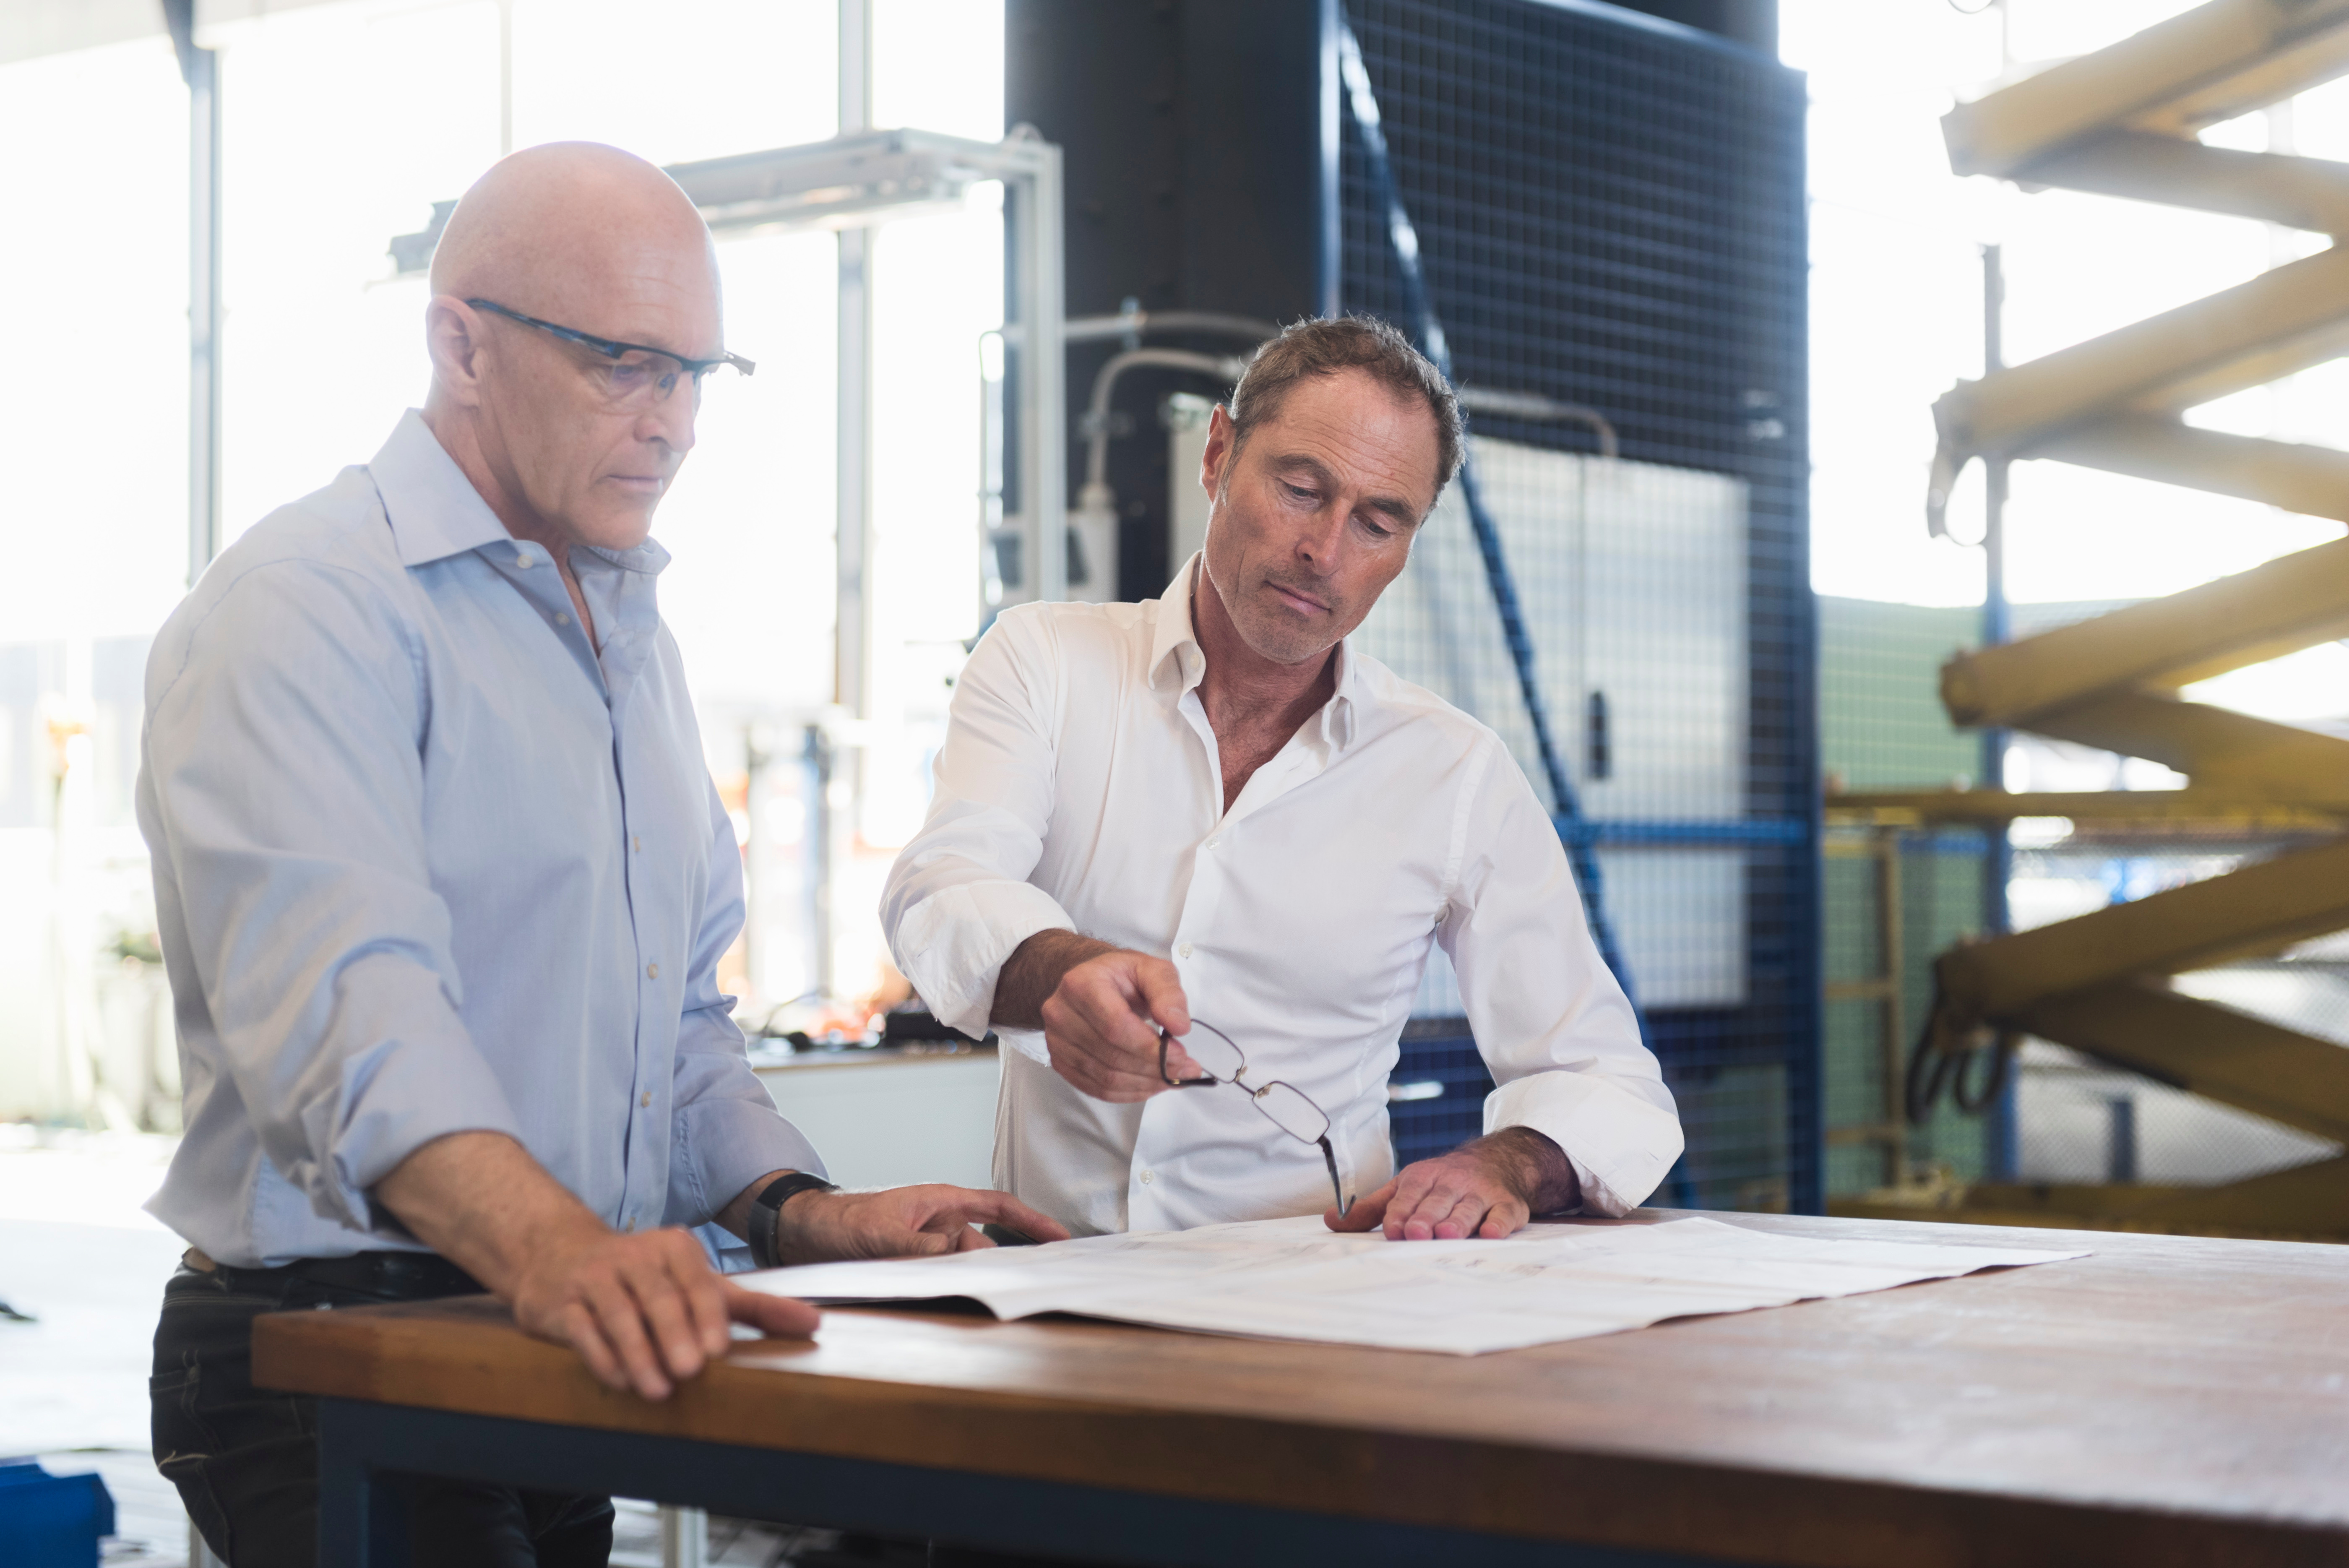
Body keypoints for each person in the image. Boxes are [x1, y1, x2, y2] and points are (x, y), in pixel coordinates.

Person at [138, 143, 1064, 1568]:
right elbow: (350, 1012)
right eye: (627, 364)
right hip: (331, 1340)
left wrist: (802, 1211)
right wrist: (568, 1250)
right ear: (461, 343)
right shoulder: (306, 605)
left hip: (544, 1323)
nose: (676, 421)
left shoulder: (624, 629)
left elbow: (676, 1022)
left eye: (700, 372)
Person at [882, 315, 1683, 1244]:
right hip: (1052, 1293)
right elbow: (941, 889)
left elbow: (1604, 1078)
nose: (1327, 552)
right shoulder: (1045, 664)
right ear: (1218, 453)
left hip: (1317, 1307)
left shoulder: (1454, 772)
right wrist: (1058, 973)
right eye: (1301, 490)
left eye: (1379, 523)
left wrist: (1501, 1163)